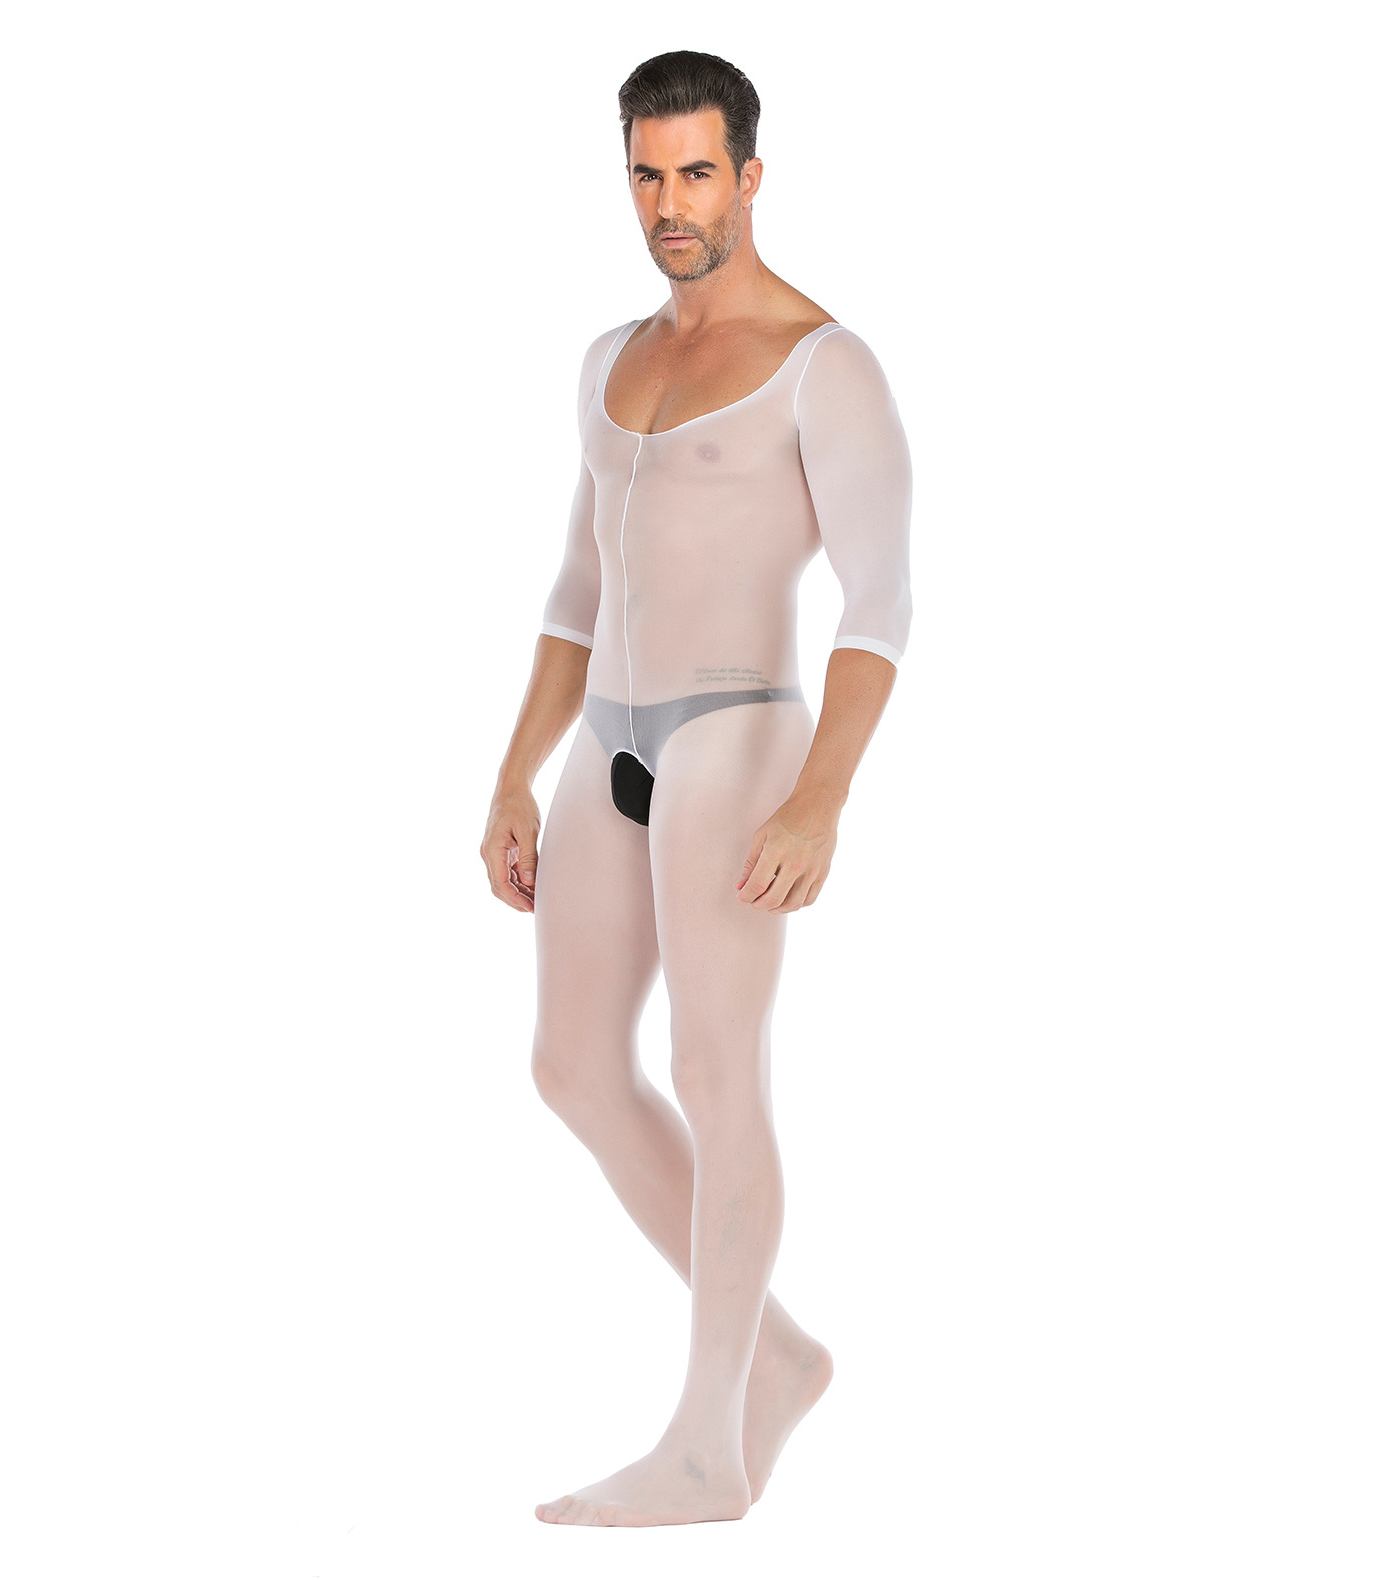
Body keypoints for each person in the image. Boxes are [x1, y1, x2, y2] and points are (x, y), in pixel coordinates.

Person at [480, 50, 912, 1527]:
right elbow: (576, 589)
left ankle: (708, 1446)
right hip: (605, 729)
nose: (672, 205)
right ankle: (778, 1355)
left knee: (720, 1071)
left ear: (751, 176)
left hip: (737, 734)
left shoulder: (822, 364)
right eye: (648, 176)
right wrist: (513, 775)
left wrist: (822, 800)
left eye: (698, 174)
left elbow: (879, 605)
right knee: (572, 1067)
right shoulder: (613, 360)